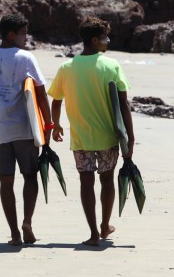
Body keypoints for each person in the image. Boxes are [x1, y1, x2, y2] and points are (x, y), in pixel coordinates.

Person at [48, 16, 135, 246]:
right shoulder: (111, 65)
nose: (108, 41)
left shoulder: (67, 68)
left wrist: (56, 125)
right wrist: (130, 136)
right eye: (105, 37)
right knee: (107, 180)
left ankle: (93, 234)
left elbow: (55, 101)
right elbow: (124, 104)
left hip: (80, 138)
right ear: (95, 40)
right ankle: (105, 225)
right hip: (108, 137)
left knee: (85, 182)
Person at [0, 14, 51, 246]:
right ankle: (27, 222)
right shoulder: (26, 58)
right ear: (12, 34)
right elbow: (41, 95)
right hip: (25, 130)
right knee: (30, 176)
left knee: (6, 181)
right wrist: (48, 125)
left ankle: (14, 232)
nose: (27, 37)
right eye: (24, 33)